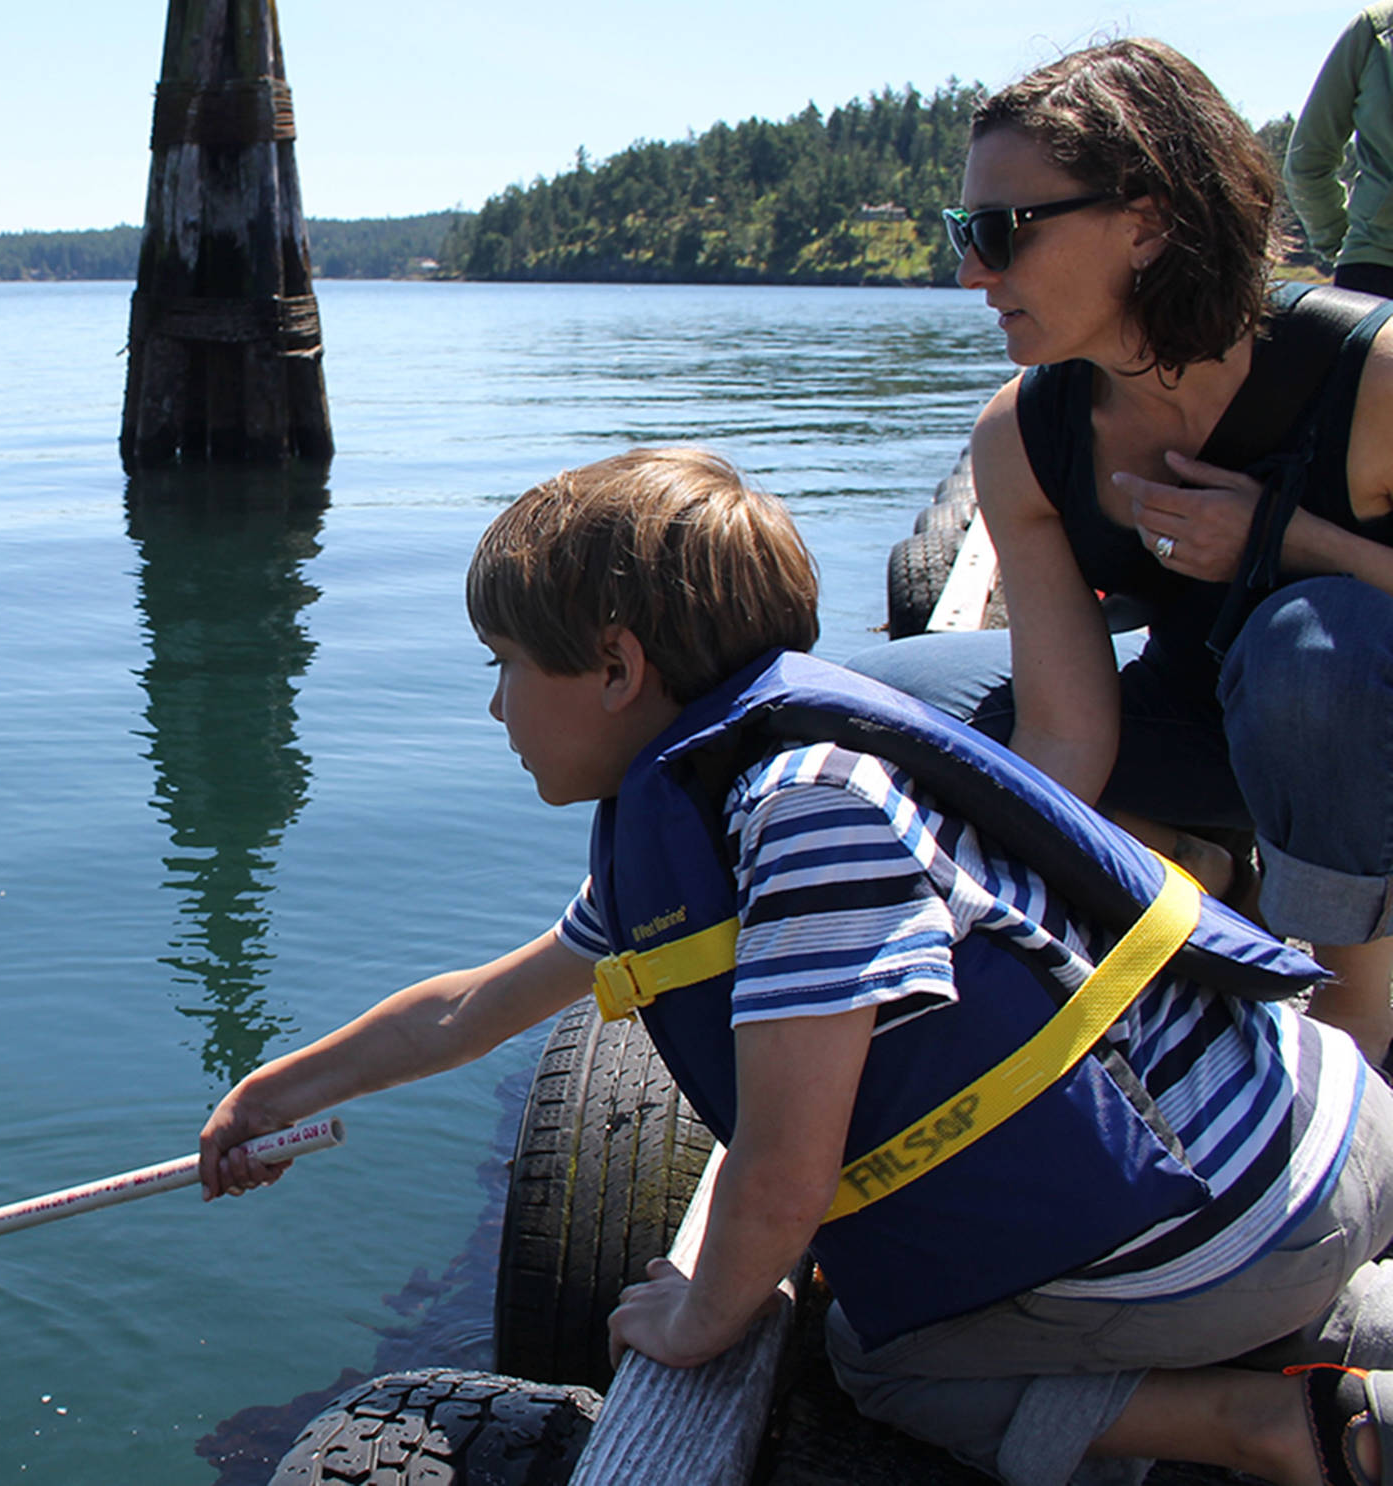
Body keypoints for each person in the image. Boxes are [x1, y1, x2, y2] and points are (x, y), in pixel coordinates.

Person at [202, 445, 1393, 1485]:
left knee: (877, 1366)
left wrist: (705, 1307)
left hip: (1251, 1209)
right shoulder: (738, 796)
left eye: (503, 663)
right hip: (1310, 1123)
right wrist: (278, 1094)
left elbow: (779, 1169)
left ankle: (1266, 1423)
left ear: (615, 669)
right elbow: (467, 1011)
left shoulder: (804, 817)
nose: (497, 706)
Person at [847, 38, 1393, 1066]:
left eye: (1001, 232)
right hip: (1213, 732)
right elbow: (1065, 730)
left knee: (1308, 647)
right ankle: (1200, 873)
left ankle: (1356, 1010)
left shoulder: (1367, 376)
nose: (969, 268)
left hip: (1359, 739)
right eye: (964, 230)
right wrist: (992, 906)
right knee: (860, 712)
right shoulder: (1022, 437)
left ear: (1142, 224)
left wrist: (1282, 540)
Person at [1287, 5, 1393, 298]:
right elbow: (1307, 162)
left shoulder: (1374, 30)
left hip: (1373, 273)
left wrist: (1345, 242)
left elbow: (1306, 162)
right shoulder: (1375, 30)